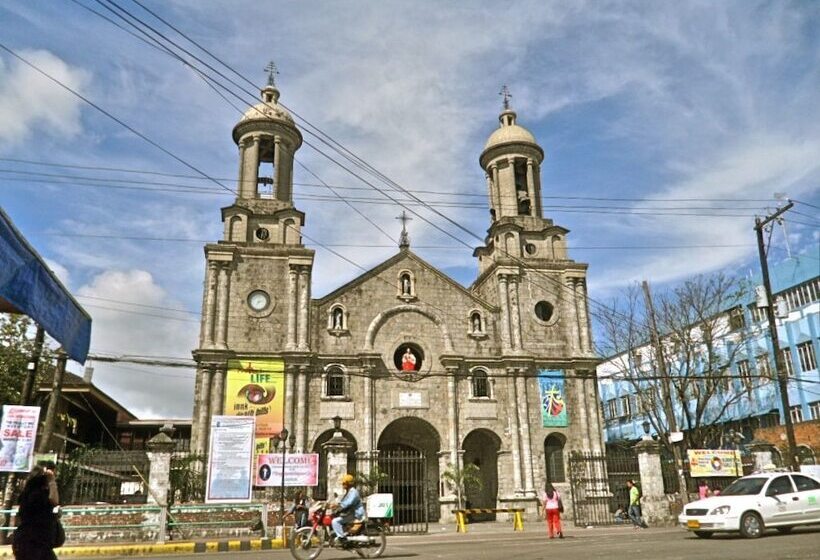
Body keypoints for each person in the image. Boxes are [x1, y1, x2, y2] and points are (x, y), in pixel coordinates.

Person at [13, 463, 60, 560]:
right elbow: (55, 501)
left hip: (25, 542)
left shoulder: (26, 495)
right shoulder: (39, 496)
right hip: (36, 544)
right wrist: (52, 481)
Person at [331, 474, 365, 544]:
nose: (342, 484)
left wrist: (339, 507)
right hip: (350, 512)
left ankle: (342, 538)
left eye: (344, 483)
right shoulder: (349, 492)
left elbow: (348, 503)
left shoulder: (353, 492)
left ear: (348, 483)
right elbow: (343, 502)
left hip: (355, 514)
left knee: (335, 521)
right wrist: (335, 505)